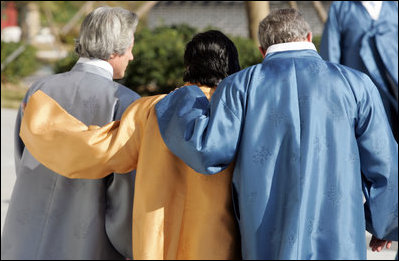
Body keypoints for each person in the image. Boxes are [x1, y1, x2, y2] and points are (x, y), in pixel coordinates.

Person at [153, 9, 397, 259]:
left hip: (267, 238)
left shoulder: (239, 86)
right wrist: (385, 223)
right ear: (309, 37)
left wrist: (182, 100)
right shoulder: (356, 84)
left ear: (261, 49)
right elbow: (384, 161)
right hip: (339, 235)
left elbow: (207, 149)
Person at [18, 30, 241, 260]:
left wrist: (40, 121)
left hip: (158, 241)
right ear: (232, 66)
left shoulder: (149, 111)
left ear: (188, 66)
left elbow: (96, 148)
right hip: (218, 242)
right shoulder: (239, 115)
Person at [1, 6, 140, 260]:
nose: (131, 56)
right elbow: (123, 191)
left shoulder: (39, 90)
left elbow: (24, 161)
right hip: (88, 241)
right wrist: (131, 246)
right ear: (113, 50)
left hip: (25, 236)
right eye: (130, 46)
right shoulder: (124, 103)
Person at [320, 1, 398, 142]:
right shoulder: (341, 8)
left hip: (393, 86)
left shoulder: (393, 6)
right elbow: (331, 55)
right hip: (359, 92)